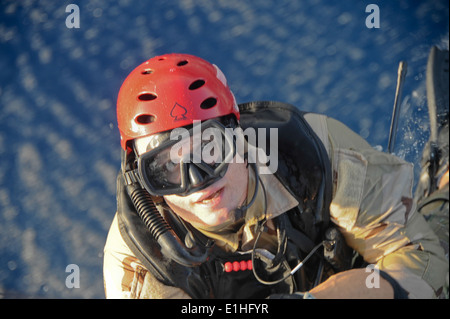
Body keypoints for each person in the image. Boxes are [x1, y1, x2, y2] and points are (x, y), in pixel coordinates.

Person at [103, 52, 448, 299]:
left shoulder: (315, 155)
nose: (198, 182)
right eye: (166, 169)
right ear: (141, 179)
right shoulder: (139, 253)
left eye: (210, 149)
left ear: (236, 134)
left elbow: (424, 265)